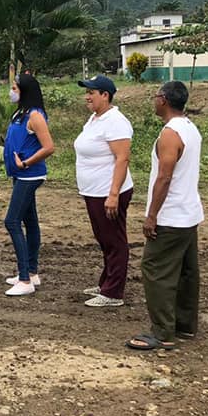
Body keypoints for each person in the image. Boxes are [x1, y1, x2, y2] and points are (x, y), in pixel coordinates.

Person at [127, 81, 204, 351]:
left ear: (163, 100)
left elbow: (164, 177)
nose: (153, 100)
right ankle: (185, 326)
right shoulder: (190, 127)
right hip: (189, 213)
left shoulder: (170, 134)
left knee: (155, 270)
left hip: (171, 217)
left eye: (155, 96)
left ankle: (162, 332)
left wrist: (152, 216)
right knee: (186, 272)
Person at [74, 75, 133, 307]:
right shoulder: (95, 118)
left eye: (91, 93)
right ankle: (106, 282)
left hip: (108, 191)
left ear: (105, 95)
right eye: (86, 92)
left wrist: (113, 194)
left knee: (114, 240)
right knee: (104, 238)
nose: (87, 97)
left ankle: (113, 293)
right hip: (94, 191)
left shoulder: (115, 121)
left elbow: (122, 158)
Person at [2, 74, 55, 296]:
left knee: (12, 221)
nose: (11, 91)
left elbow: (49, 147)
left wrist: (26, 163)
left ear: (25, 90)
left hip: (29, 175)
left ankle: (25, 279)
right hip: (20, 174)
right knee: (30, 221)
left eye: (15, 88)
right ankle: (32, 272)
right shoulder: (21, 113)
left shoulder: (35, 115)